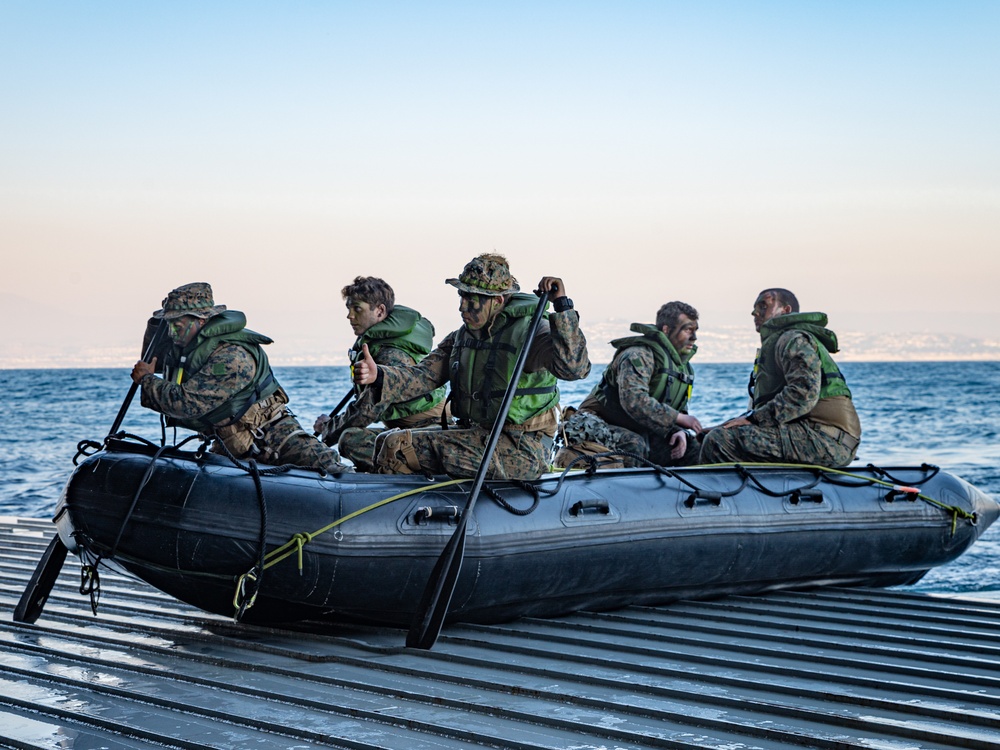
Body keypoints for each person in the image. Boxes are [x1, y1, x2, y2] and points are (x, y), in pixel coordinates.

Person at [350, 253, 591, 480]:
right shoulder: (462, 337)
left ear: (497, 301)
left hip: (522, 447)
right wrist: (379, 375)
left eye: (472, 300)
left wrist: (563, 307)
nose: (462, 307)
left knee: (397, 447)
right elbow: (423, 377)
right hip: (477, 435)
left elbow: (574, 368)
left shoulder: (531, 334)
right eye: (462, 297)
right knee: (386, 440)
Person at [131, 282, 350, 473]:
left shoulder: (230, 356)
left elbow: (187, 404)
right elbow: (155, 361)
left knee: (330, 468)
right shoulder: (187, 344)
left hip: (273, 435)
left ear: (200, 321)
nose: (171, 333)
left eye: (176, 326)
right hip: (230, 443)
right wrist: (155, 326)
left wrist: (147, 381)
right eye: (168, 326)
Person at [699, 288, 861, 467]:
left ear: (786, 310)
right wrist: (725, 425)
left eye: (763, 305)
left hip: (826, 440)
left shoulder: (793, 339)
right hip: (808, 433)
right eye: (754, 308)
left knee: (720, 441)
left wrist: (753, 420)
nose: (755, 312)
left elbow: (803, 394)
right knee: (705, 439)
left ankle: (722, 494)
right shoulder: (780, 342)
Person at [313, 276, 448, 471]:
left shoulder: (390, 354)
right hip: (408, 430)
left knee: (349, 439)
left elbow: (365, 412)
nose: (350, 316)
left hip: (427, 430)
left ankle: (406, 474)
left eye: (357, 308)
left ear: (380, 311)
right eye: (348, 309)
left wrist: (328, 429)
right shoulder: (382, 346)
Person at [557, 301, 704, 468]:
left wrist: (678, 430)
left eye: (695, 331)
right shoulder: (638, 355)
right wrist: (678, 418)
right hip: (600, 422)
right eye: (687, 330)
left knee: (692, 448)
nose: (694, 337)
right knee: (633, 445)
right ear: (666, 330)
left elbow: (676, 408)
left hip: (638, 427)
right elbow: (634, 401)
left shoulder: (683, 369)